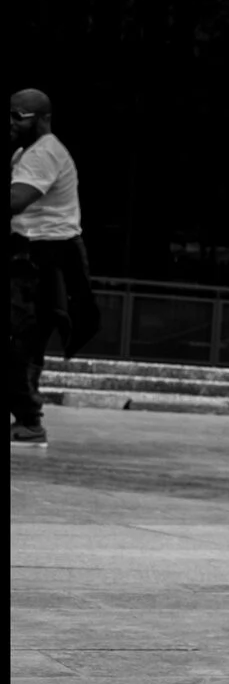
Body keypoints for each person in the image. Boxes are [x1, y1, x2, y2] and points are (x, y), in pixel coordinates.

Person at [10, 89, 99, 447]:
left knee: (20, 340)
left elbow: (16, 201)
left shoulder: (46, 152)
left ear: (42, 118)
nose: (12, 123)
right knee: (25, 342)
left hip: (47, 257)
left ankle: (30, 419)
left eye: (18, 116)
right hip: (34, 254)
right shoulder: (25, 153)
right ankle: (28, 419)